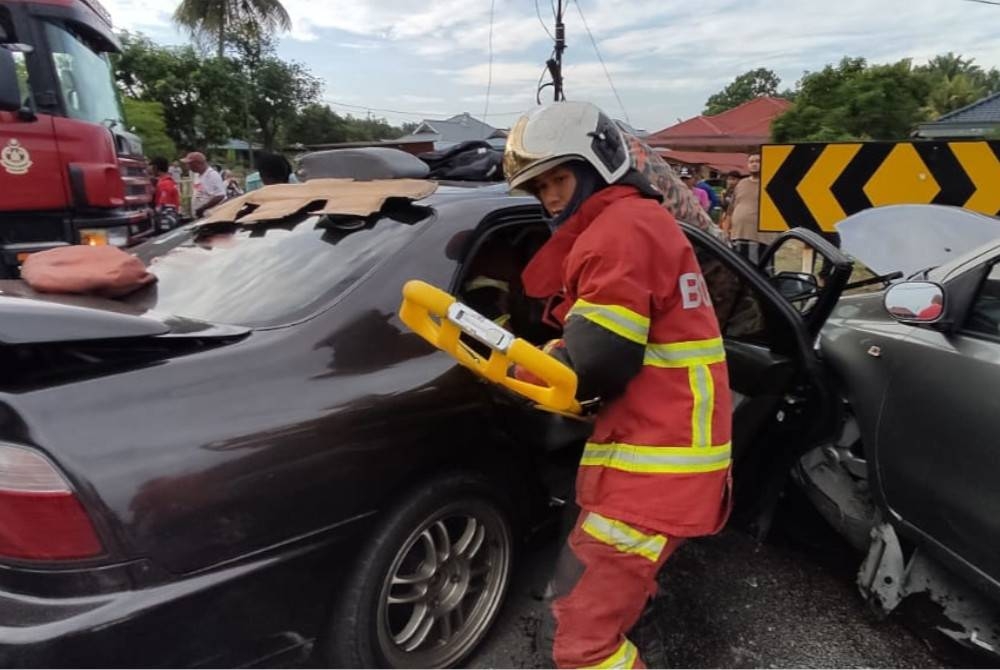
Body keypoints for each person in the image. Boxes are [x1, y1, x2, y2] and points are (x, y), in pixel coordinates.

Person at [504, 101, 733, 669]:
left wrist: (515, 365)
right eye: (539, 187)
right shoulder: (639, 220)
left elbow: (599, 358)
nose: (551, 198)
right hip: (664, 453)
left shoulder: (618, 231)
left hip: (656, 466)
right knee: (605, 602)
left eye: (559, 178)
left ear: (596, 166)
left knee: (580, 641)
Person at [721, 152, 775, 263]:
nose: (754, 164)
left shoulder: (771, 183)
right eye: (751, 162)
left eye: (758, 161)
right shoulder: (741, 184)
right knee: (739, 268)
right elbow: (730, 210)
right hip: (738, 235)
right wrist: (726, 231)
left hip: (761, 238)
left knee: (758, 272)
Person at [181, 151, 226, 219]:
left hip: (211, 216)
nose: (188, 166)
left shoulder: (212, 175)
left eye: (189, 164)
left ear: (197, 163)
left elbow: (220, 195)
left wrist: (203, 208)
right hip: (201, 216)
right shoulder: (197, 175)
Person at [149, 156, 180, 231]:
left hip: (166, 219)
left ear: (155, 167)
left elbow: (163, 206)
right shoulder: (167, 181)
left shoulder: (165, 184)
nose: (149, 170)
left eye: (151, 167)